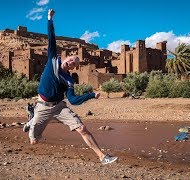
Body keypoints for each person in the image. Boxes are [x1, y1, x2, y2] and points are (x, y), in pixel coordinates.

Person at [22, 9, 118, 165]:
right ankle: (32, 120)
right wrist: (49, 19)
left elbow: (73, 100)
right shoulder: (53, 59)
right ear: (66, 57)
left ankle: (102, 156)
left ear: (74, 68)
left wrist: (91, 95)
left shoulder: (69, 81)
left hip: (60, 106)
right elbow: (51, 39)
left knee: (82, 129)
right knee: (34, 142)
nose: (71, 62)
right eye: (71, 59)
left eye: (75, 63)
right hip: (42, 106)